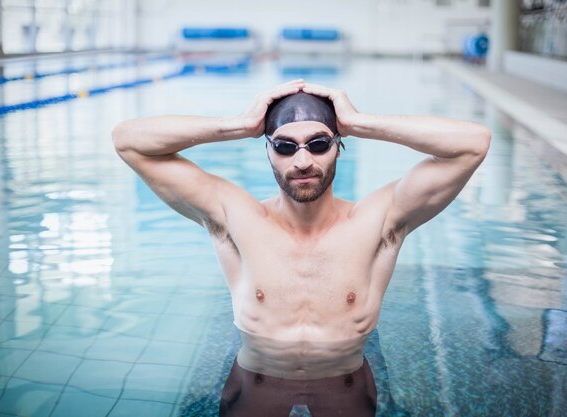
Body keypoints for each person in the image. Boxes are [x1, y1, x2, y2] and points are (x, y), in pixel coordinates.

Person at [112, 79, 491, 416]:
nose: (303, 160)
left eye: (319, 143)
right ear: (268, 150)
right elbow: (128, 141)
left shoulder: (378, 221)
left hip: (345, 387)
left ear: (339, 147)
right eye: (285, 146)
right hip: (255, 386)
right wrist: (239, 126)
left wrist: (359, 123)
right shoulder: (235, 217)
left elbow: (473, 144)